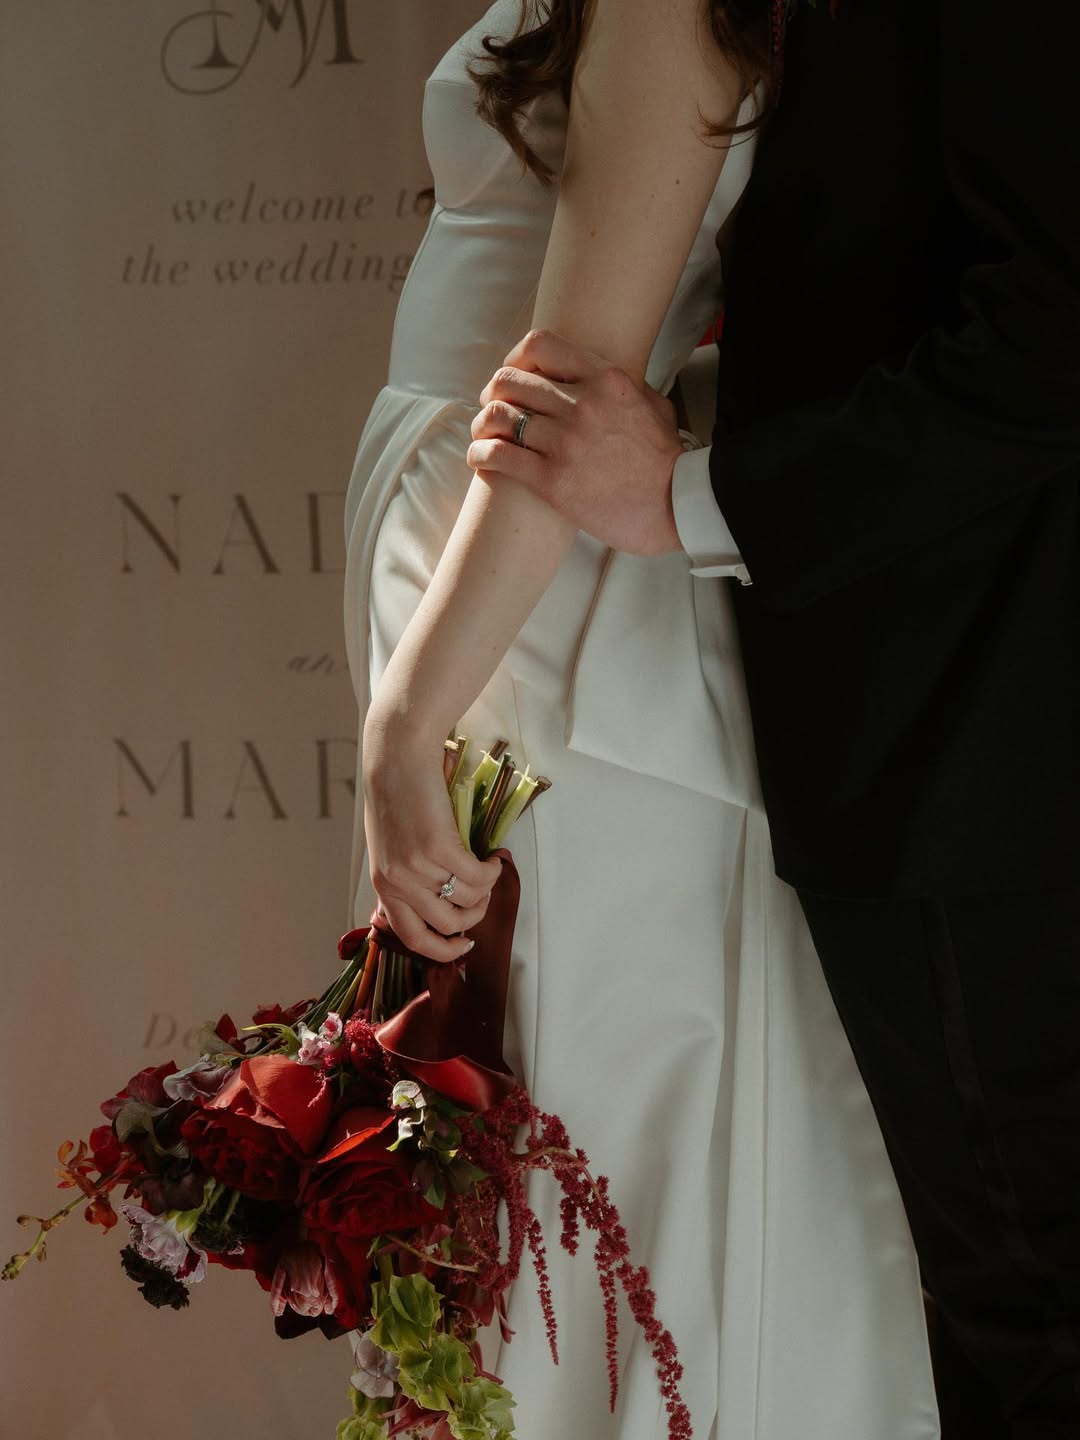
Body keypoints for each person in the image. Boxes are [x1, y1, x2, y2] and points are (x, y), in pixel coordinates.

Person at [467, 1, 1080, 1435]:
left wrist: (698, 492)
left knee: (1034, 1316)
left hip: (978, 725)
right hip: (916, 716)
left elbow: (1057, 323)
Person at [344, 1, 938, 1434]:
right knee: (522, 1112)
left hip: (542, 615)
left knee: (589, 1112)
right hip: (500, 586)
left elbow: (567, 389)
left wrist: (409, 713)